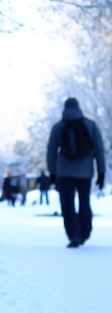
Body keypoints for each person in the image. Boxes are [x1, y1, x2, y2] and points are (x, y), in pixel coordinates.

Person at [46, 97, 106, 248]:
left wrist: (52, 173)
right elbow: (99, 149)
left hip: (64, 172)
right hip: (85, 171)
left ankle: (73, 235)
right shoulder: (91, 125)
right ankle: (85, 233)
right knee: (84, 201)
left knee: (67, 204)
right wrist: (101, 172)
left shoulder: (58, 127)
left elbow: (51, 152)